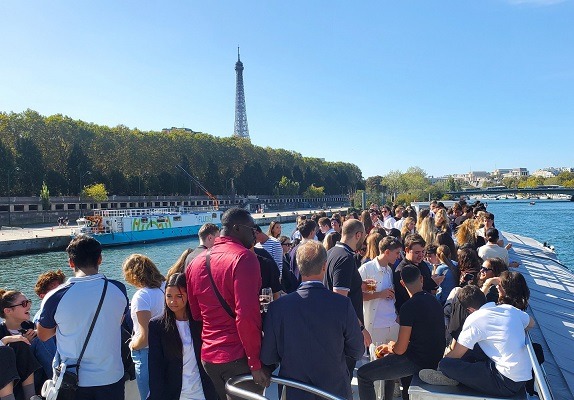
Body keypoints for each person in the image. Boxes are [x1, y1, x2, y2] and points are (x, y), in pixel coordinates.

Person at [261, 241, 364, 400]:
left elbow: (268, 356)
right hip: (334, 390)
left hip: (295, 391)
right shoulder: (342, 304)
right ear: (325, 266)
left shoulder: (278, 308)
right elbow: (357, 350)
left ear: (298, 266)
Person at [186, 208, 270, 400]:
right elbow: (246, 316)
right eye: (252, 228)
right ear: (237, 228)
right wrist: (255, 364)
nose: (255, 234)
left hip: (209, 357)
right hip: (238, 356)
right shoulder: (244, 258)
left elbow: (196, 313)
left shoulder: (195, 262)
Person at [37, 235, 129, 400]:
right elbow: (118, 321)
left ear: (71, 263)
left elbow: (43, 335)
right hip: (111, 376)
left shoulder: (55, 296)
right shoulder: (118, 289)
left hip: (74, 381)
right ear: (100, 259)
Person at [419, 281, 534, 398]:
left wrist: (441, 365)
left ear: (470, 309)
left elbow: (456, 354)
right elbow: (531, 323)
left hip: (504, 382)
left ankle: (451, 377)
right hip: (521, 376)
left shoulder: (475, 319)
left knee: (446, 364)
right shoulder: (507, 308)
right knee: (473, 348)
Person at [357, 265, 445, 400]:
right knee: (388, 362)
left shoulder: (408, 307)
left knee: (363, 375)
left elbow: (400, 349)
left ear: (402, 283)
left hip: (417, 361)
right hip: (434, 357)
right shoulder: (434, 301)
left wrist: (389, 347)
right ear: (421, 279)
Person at [148, 273, 218, 400]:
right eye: (169, 296)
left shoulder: (201, 322)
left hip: (204, 392)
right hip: (175, 394)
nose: (172, 301)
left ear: (188, 296)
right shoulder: (157, 326)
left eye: (179, 296)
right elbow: (155, 368)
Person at [323, 219, 371, 380]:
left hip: (332, 329)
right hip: (344, 332)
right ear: (358, 235)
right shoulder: (345, 258)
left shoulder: (331, 253)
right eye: (363, 235)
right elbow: (340, 300)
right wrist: (361, 328)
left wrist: (358, 285)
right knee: (342, 381)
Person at [358, 236, 403, 400]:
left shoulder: (389, 270)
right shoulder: (366, 269)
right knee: (375, 369)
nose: (399, 256)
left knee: (391, 367)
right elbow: (358, 296)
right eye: (397, 253)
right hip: (375, 325)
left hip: (391, 323)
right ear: (387, 252)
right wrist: (380, 294)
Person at [122, 254, 166, 400]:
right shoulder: (165, 287)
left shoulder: (142, 296)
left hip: (146, 355)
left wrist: (132, 345)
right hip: (165, 350)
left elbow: (143, 337)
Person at [0, 290, 42, 400]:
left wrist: (38, 337)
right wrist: (7, 339)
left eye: (29, 302)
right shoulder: (1, 330)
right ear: (8, 311)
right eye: (24, 304)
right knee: (14, 346)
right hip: (7, 382)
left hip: (33, 378)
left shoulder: (31, 327)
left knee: (24, 344)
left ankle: (31, 397)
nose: (28, 306)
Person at [32, 270, 66, 381]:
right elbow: (50, 358)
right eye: (55, 290)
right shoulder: (40, 321)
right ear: (43, 296)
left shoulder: (66, 313)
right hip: (60, 375)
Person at [393, 234, 440, 313]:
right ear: (407, 250)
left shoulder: (423, 264)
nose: (421, 255)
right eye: (417, 252)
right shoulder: (402, 270)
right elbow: (407, 296)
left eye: (423, 252)